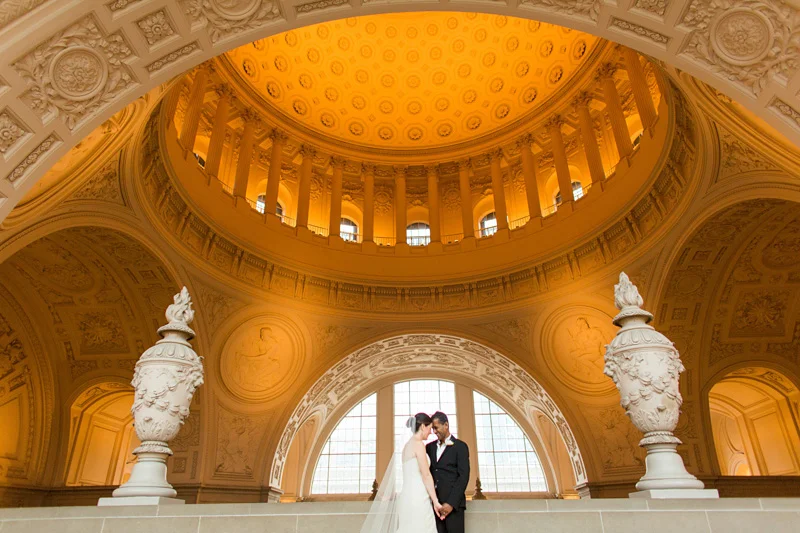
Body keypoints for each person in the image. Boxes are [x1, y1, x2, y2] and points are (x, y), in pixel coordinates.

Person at [360, 412, 443, 533]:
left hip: (406, 498)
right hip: (419, 498)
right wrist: (436, 501)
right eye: (430, 428)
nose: (431, 432)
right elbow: (426, 475)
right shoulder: (418, 445)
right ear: (423, 426)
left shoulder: (406, 447)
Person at [427, 411, 470, 533]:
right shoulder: (429, 448)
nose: (434, 432)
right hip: (434, 506)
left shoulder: (460, 447)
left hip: (454, 507)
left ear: (446, 425)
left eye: (436, 427)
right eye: (432, 429)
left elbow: (463, 476)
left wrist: (450, 504)